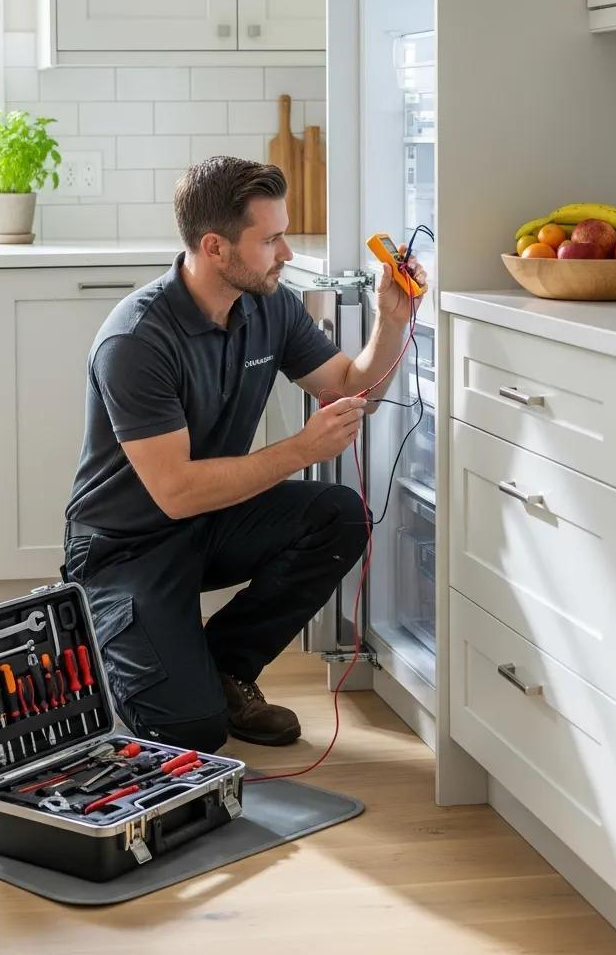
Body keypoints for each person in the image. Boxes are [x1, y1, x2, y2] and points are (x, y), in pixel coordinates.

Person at [62, 155, 427, 753]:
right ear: (215, 247)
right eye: (272, 239)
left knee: (338, 514)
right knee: (191, 732)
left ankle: (223, 668)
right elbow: (175, 492)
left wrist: (390, 322)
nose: (286, 253)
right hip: (125, 546)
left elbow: (345, 387)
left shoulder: (269, 305)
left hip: (212, 520)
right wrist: (302, 449)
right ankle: (110, 642)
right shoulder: (136, 340)